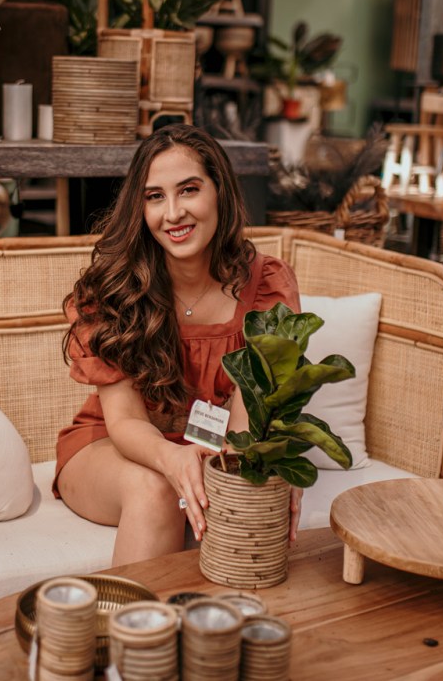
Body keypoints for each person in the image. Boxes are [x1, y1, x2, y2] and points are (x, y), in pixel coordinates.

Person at [54, 124, 302, 565]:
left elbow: (247, 422)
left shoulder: (266, 287)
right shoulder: (115, 290)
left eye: (189, 190)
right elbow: (126, 421)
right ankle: (131, 633)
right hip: (111, 446)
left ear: (219, 192)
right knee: (157, 492)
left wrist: (259, 469)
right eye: (154, 197)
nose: (173, 214)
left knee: (244, 496)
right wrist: (175, 461)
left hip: (212, 452)